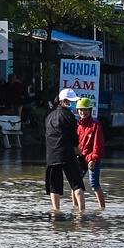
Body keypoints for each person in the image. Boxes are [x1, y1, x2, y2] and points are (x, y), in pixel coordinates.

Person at [45, 87, 86, 215]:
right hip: (67, 154)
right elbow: (74, 138)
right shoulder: (69, 116)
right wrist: (79, 152)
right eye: (70, 101)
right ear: (63, 101)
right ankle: (82, 212)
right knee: (77, 183)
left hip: (52, 155)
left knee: (54, 186)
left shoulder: (49, 116)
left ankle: (56, 212)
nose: (71, 104)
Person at [75, 96, 107, 211]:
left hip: (92, 158)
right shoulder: (77, 125)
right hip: (79, 158)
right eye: (81, 110)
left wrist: (93, 158)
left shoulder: (95, 126)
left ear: (90, 110)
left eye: (85, 110)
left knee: (94, 184)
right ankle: (75, 208)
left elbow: (98, 145)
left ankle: (102, 208)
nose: (83, 112)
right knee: (76, 184)